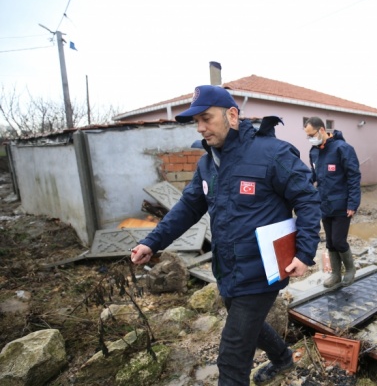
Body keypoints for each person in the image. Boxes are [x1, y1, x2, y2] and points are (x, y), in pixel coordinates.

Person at [130, 85, 321, 386]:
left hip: (261, 270)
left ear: (232, 115)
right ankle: (283, 359)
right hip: (227, 269)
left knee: (231, 357)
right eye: (197, 121)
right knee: (250, 326)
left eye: (206, 118)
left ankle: (268, 364)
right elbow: (187, 208)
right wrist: (151, 242)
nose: (201, 127)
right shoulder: (208, 163)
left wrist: (304, 252)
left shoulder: (272, 153)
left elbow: (308, 200)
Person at [303, 116, 361, 288]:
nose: (310, 139)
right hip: (324, 204)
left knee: (339, 240)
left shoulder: (342, 149)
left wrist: (353, 203)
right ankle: (335, 274)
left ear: (322, 130)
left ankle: (350, 270)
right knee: (329, 242)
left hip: (342, 205)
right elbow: (314, 176)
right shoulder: (314, 151)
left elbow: (353, 177)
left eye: (311, 134)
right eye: (307, 136)